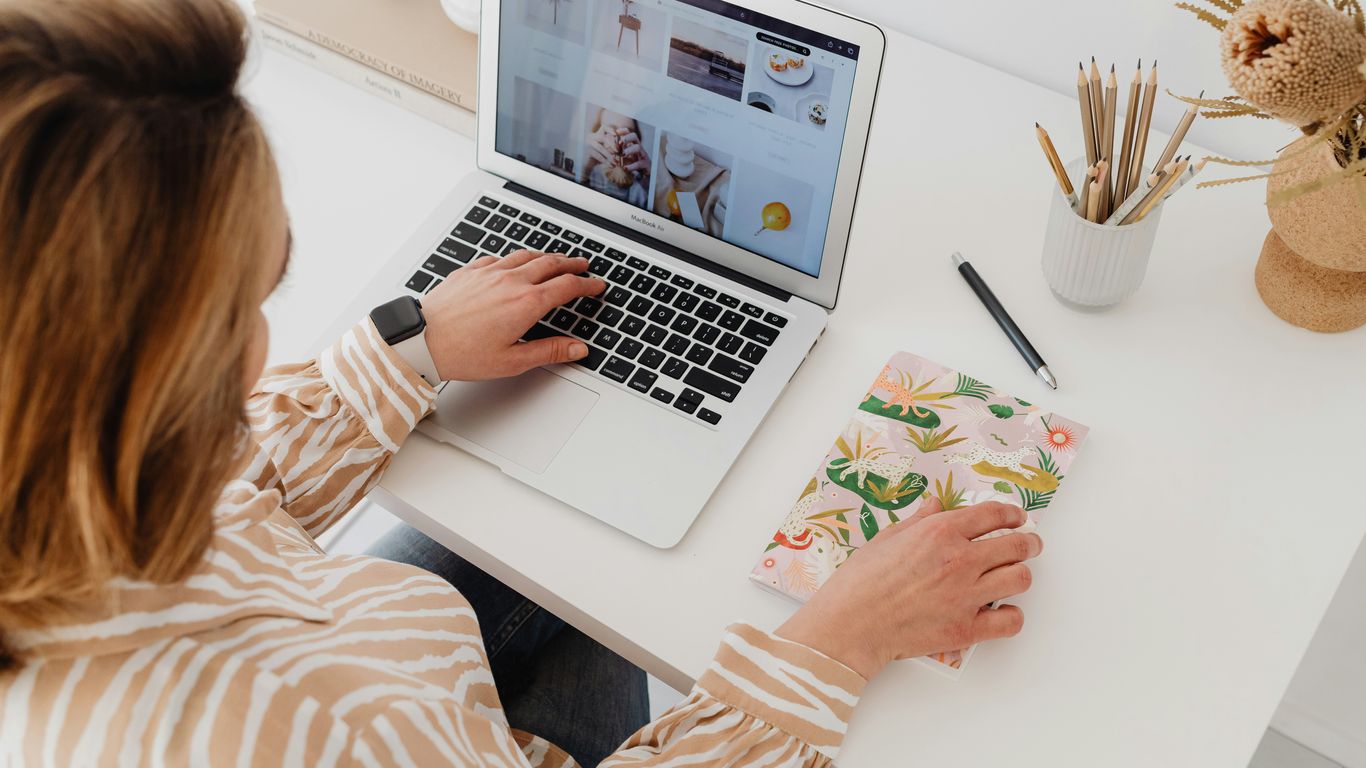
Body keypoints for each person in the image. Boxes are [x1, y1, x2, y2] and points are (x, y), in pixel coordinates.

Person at [0, 1, 1042, 765]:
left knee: (588, 549)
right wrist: (835, 642)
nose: (262, 356)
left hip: (404, 668)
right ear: (119, 382)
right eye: (244, 307)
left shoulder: (53, 487)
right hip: (436, 726)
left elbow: (234, 490)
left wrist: (411, 350)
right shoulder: (309, 730)